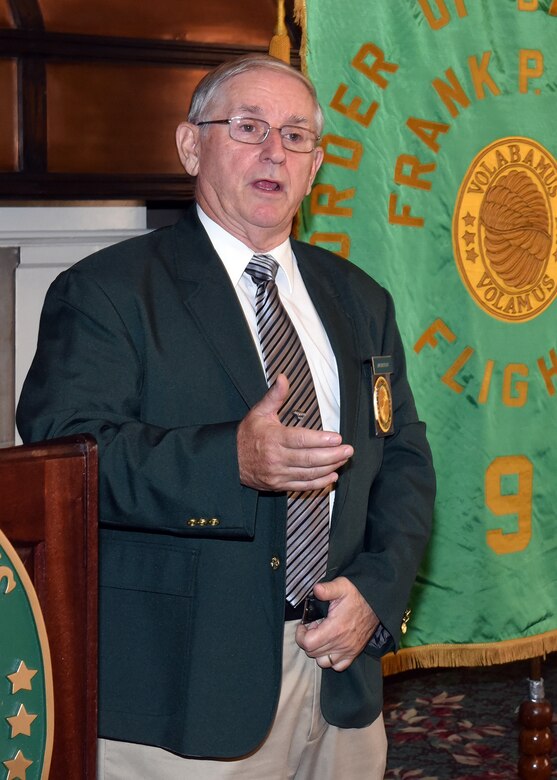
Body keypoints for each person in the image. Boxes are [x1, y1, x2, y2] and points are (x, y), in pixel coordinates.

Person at [17, 54, 435, 779]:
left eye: (296, 135)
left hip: (339, 676)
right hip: (182, 687)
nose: (274, 150)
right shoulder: (107, 291)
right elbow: (65, 461)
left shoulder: (360, 299)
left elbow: (402, 459)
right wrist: (228, 463)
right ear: (190, 146)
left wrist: (378, 590)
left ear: (316, 163)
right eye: (248, 127)